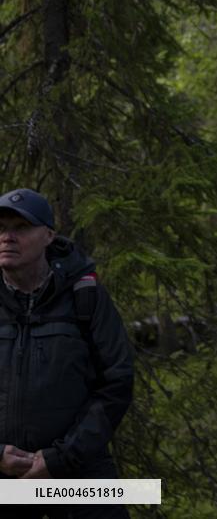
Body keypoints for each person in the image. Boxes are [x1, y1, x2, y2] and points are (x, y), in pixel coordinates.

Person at [0, 188, 134, 519]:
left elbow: (116, 382)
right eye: (1, 228)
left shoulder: (85, 295)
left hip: (79, 472)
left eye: (21, 227)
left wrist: (62, 457)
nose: (7, 237)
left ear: (48, 235)